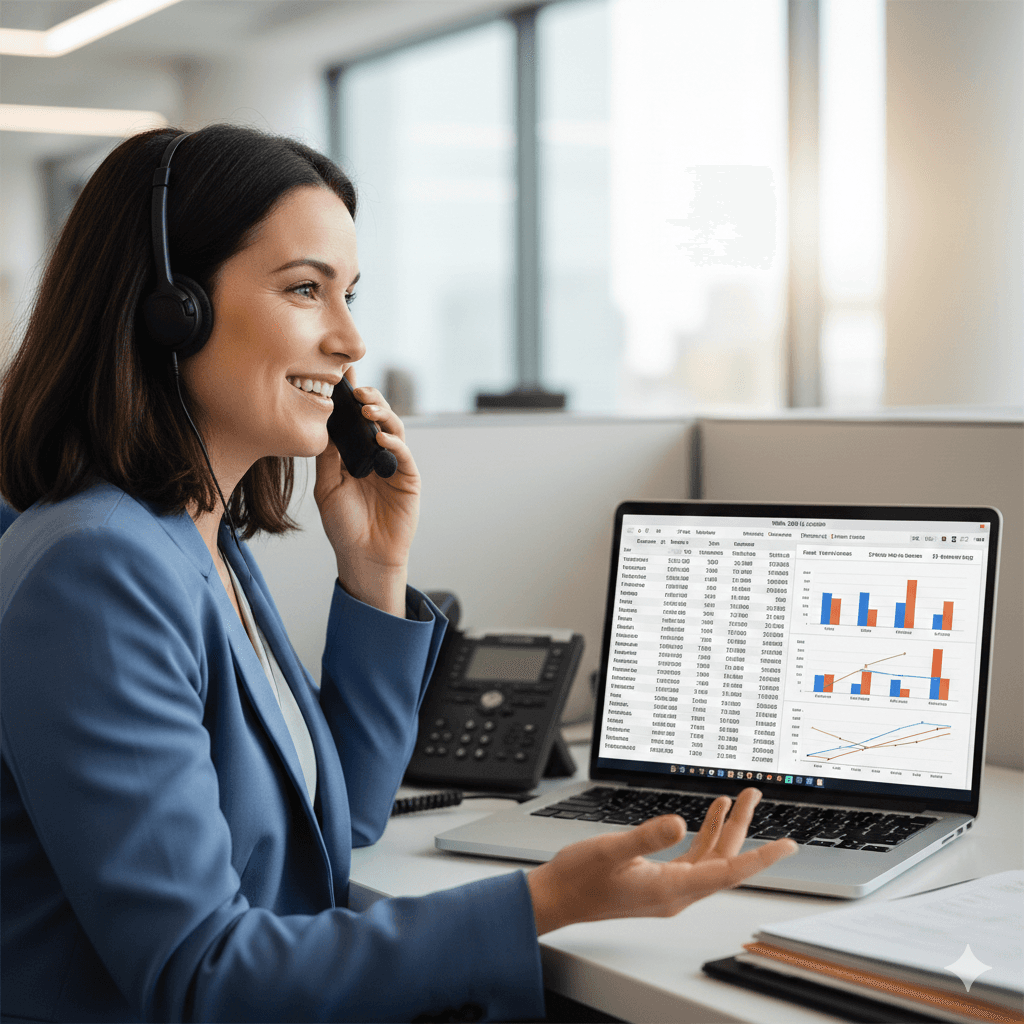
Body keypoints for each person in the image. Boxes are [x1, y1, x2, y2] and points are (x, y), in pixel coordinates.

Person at [0, 124, 796, 1024]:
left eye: (350, 294)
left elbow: (335, 826)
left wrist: (375, 569)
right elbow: (204, 975)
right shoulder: (101, 571)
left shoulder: (200, 542)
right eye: (306, 290)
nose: (349, 339)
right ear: (171, 306)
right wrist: (546, 901)